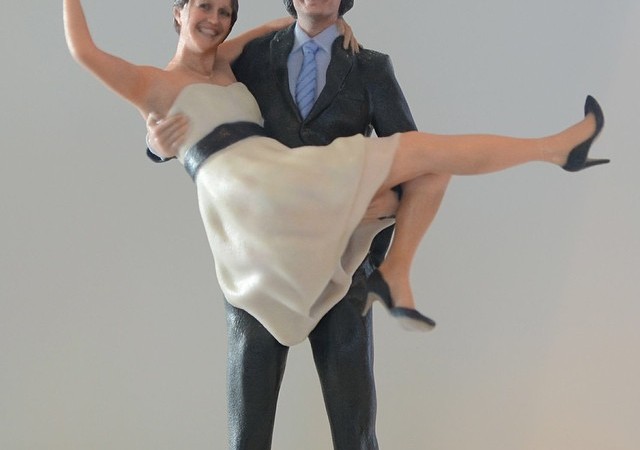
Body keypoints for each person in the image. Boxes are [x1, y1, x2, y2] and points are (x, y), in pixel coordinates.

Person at [64, 0, 609, 448]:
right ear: (177, 12)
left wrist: (330, 21)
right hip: (267, 209)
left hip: (301, 203)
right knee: (249, 431)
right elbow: (86, 53)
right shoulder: (167, 81)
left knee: (427, 163)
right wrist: (154, 144)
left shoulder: (234, 59)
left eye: (225, 11)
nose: (215, 19)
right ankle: (553, 150)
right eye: (204, 7)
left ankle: (398, 266)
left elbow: (279, 25)